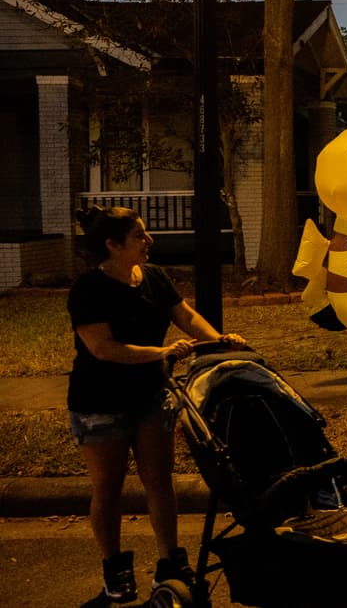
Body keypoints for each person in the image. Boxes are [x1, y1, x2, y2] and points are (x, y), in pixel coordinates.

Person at [68, 205, 247, 605]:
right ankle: (115, 570)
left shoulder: (153, 277)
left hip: (151, 394)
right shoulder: (88, 290)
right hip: (99, 402)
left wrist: (218, 342)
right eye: (139, 236)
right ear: (113, 245)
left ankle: (170, 563)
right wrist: (161, 353)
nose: (149, 240)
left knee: (159, 480)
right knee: (108, 487)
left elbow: (186, 316)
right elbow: (103, 348)